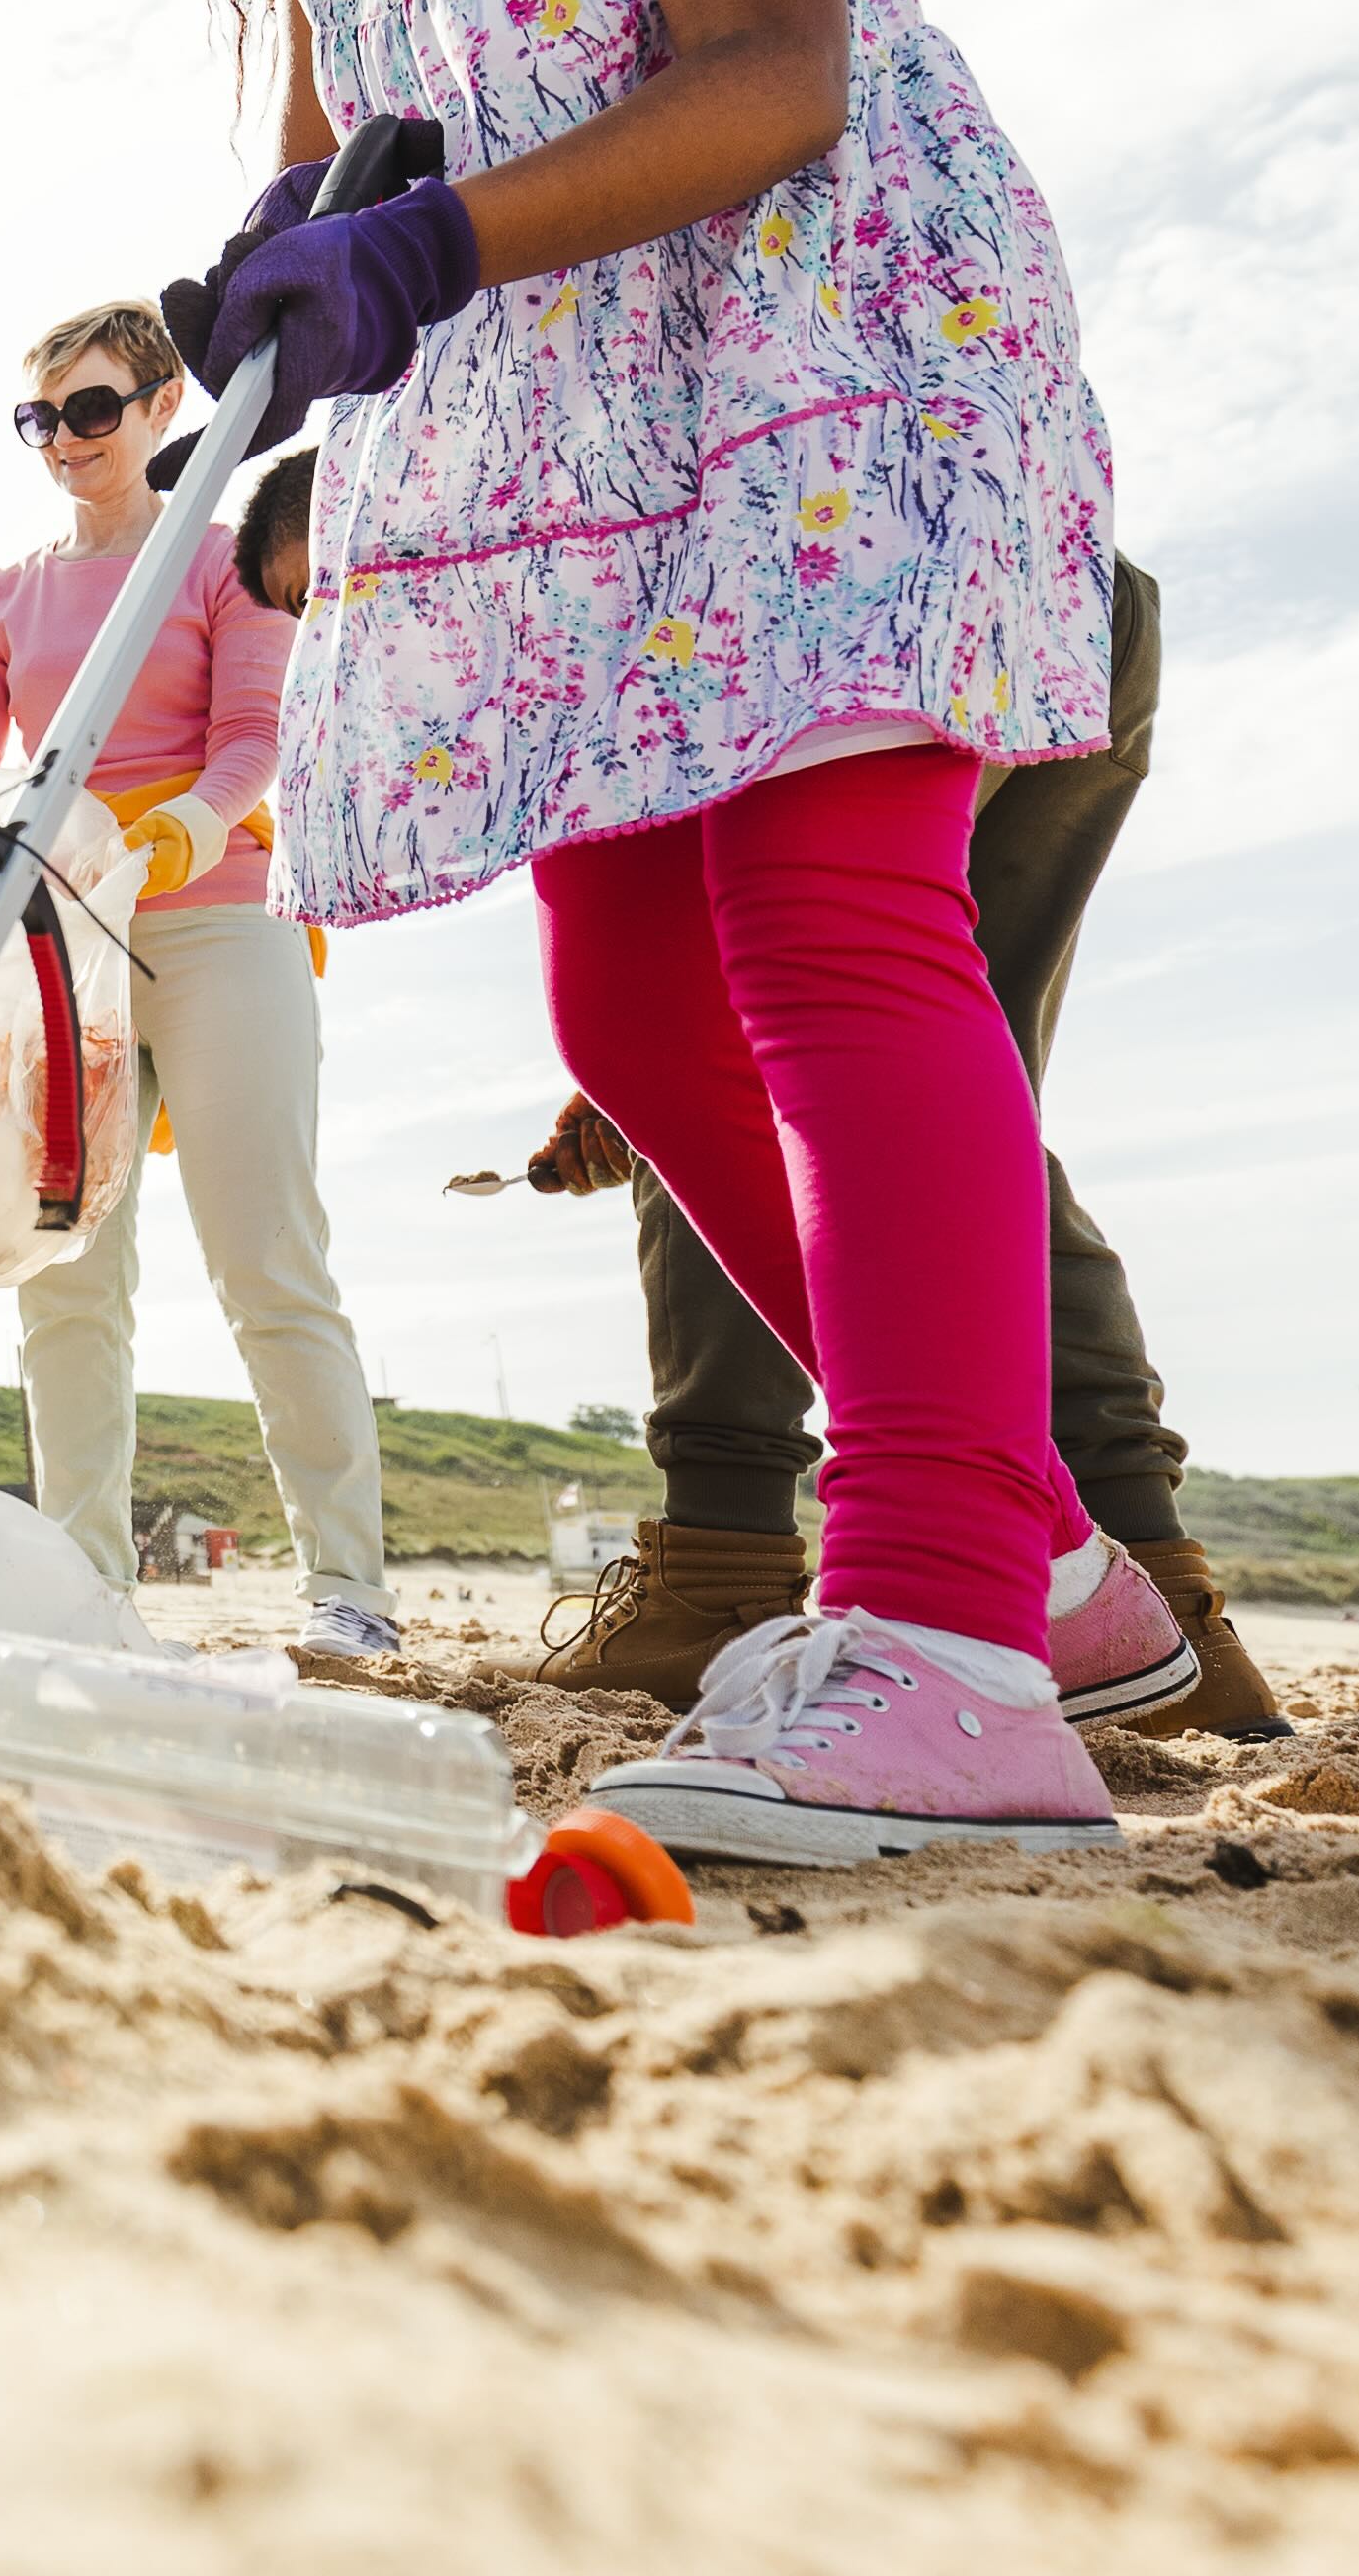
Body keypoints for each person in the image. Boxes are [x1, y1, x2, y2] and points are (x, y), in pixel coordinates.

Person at [134, 0, 1179, 1863]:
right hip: (581, 463)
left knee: (838, 927)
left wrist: (424, 237)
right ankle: (1050, 1553)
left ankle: (943, 1608)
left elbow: (769, 74)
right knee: (624, 1003)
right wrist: (257, 310)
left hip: (829, 369)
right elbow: (327, 176)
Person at [511, 559, 1284, 1737]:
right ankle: (1152, 1582)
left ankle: (722, 1573)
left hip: (802, 563)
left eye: (313, 602)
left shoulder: (498, 516)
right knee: (922, 1093)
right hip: (1037, 561)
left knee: (792, 1050)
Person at [0, 295, 390, 1650]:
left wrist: (183, 832)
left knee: (265, 1252)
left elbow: (252, 735)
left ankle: (348, 1588)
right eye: (43, 418)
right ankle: (86, 1593)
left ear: (166, 410)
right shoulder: (2, 597)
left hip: (218, 915)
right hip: (64, 940)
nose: (66, 440)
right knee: (62, 1267)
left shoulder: (218, 560)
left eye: (94, 410)